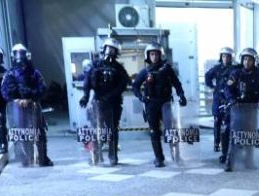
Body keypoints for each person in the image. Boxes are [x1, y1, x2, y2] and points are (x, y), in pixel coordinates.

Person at [132, 42, 186, 168]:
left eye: (156, 54)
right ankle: (159, 158)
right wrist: (140, 97)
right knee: (154, 132)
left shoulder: (167, 69)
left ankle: (176, 155)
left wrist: (181, 95)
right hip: (151, 104)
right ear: (148, 56)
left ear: (161, 55)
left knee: (171, 130)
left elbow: (177, 83)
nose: (154, 57)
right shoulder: (145, 72)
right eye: (152, 54)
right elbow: (135, 86)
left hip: (165, 103)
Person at [79, 37, 130, 166]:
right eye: (108, 48)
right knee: (97, 129)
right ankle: (96, 155)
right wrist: (85, 96)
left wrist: (112, 95)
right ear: (104, 49)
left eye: (113, 50)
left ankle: (113, 156)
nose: (110, 51)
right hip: (98, 102)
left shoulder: (118, 68)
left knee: (113, 130)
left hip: (113, 103)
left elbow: (124, 83)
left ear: (116, 52)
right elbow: (87, 81)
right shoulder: (96, 65)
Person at [1, 43, 52, 166]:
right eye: (17, 54)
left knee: (39, 133)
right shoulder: (9, 74)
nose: (20, 57)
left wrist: (30, 98)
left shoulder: (34, 73)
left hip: (33, 107)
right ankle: (27, 159)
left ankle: (42, 158)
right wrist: (16, 100)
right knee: (22, 134)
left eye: (22, 53)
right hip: (18, 109)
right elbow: (4, 91)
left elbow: (43, 88)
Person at [223, 48, 259, 171]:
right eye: (245, 59)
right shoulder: (236, 73)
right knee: (235, 135)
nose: (247, 62)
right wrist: (232, 100)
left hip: (252, 109)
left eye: (250, 60)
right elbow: (227, 89)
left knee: (250, 135)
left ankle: (249, 161)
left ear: (254, 61)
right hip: (238, 110)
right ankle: (230, 162)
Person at [205, 47, 237, 161]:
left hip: (230, 97)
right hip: (218, 96)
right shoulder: (216, 68)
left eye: (228, 56)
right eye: (223, 56)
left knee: (230, 121)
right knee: (217, 120)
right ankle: (216, 142)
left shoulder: (235, 68)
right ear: (221, 57)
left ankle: (229, 145)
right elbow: (207, 76)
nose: (225, 58)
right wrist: (212, 86)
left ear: (231, 57)